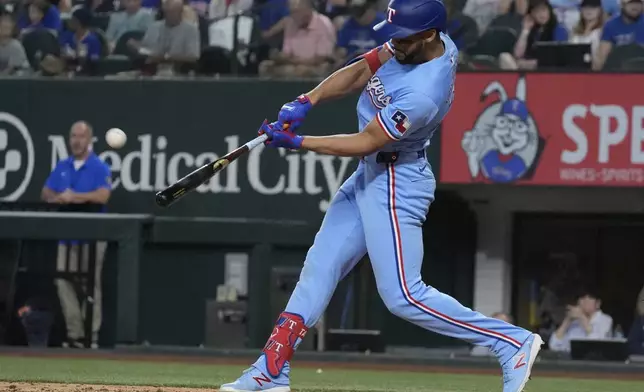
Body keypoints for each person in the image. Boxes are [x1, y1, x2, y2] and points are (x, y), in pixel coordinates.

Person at [220, 0, 543, 391]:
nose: (394, 43)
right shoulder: (421, 40)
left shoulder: (425, 90)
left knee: (404, 295)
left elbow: (365, 141)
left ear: (428, 36)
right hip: (370, 174)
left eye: (402, 38)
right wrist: (308, 100)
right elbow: (363, 67)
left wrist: (298, 141)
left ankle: (510, 342)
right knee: (319, 270)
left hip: (397, 178)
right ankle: (270, 371)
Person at [41, 121, 111, 349]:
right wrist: (58, 197)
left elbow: (102, 196)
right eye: (73, 136)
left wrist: (74, 197)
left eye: (81, 136)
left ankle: (92, 336)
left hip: (92, 237)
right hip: (66, 236)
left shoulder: (99, 166)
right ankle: (76, 335)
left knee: (91, 285)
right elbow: (46, 192)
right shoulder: (63, 165)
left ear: (89, 140)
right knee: (62, 281)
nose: (76, 140)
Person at [499, 0, 568, 70]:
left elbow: (558, 57)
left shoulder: (558, 29)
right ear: (531, 14)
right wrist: (525, 30)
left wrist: (533, 63)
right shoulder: (533, 30)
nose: (541, 14)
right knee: (504, 57)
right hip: (527, 68)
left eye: (544, 10)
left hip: (549, 70)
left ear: (549, 11)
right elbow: (518, 55)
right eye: (537, 11)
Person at [548, 290, 613, 352]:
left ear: (598, 304)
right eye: (582, 298)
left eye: (590, 298)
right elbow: (554, 346)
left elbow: (597, 345)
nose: (585, 301)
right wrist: (567, 321)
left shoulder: (605, 320)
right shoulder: (574, 322)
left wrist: (582, 318)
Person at [592, 0, 644, 70]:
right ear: (622, 5)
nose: (635, 7)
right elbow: (603, 56)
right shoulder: (611, 25)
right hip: (618, 71)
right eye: (631, 3)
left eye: (638, 3)